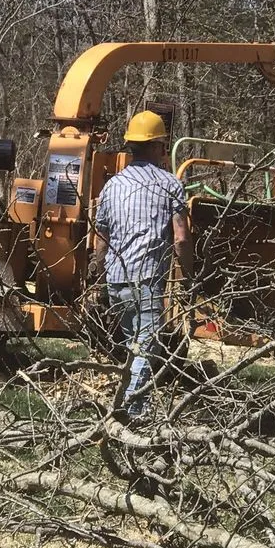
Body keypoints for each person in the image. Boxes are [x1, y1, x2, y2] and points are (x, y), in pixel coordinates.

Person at [93, 110, 194, 420]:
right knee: (146, 351)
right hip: (148, 281)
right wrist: (190, 275)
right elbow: (180, 238)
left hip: (117, 281)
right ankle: (132, 415)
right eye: (163, 145)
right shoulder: (169, 185)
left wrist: (98, 272)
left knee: (135, 347)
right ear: (153, 147)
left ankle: (131, 409)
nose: (165, 151)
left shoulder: (112, 186)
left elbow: (101, 237)